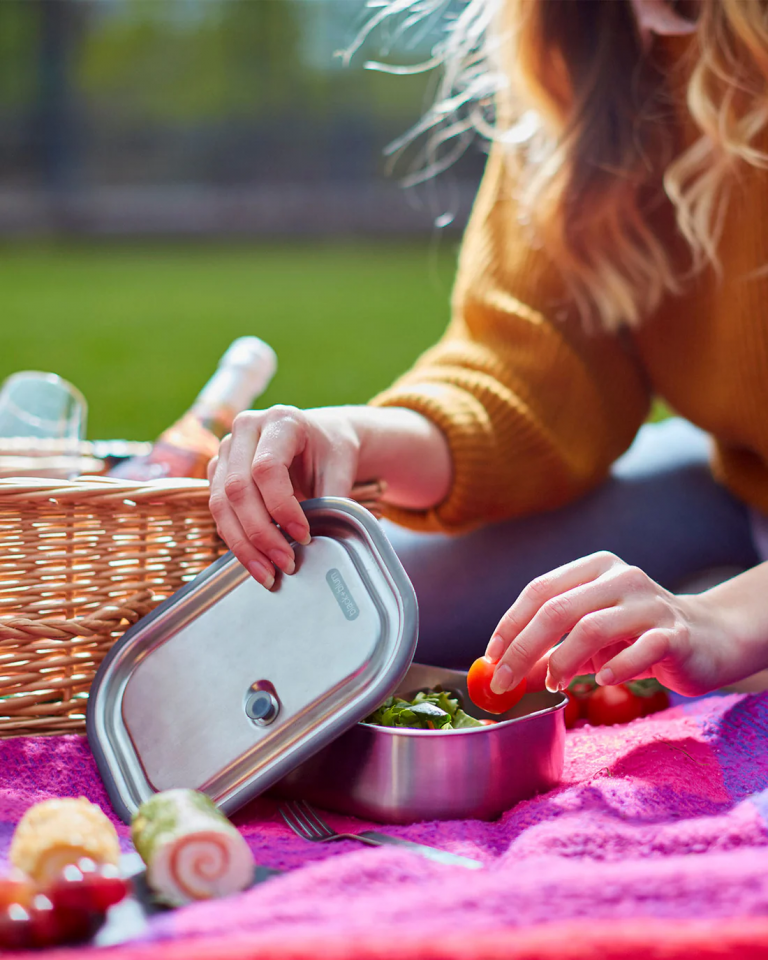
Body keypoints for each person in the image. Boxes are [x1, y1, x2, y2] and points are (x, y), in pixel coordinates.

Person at [208, 0, 768, 699]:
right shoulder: (582, 44)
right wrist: (353, 434)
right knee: (301, 622)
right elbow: (531, 372)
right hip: (737, 485)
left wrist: (719, 622)